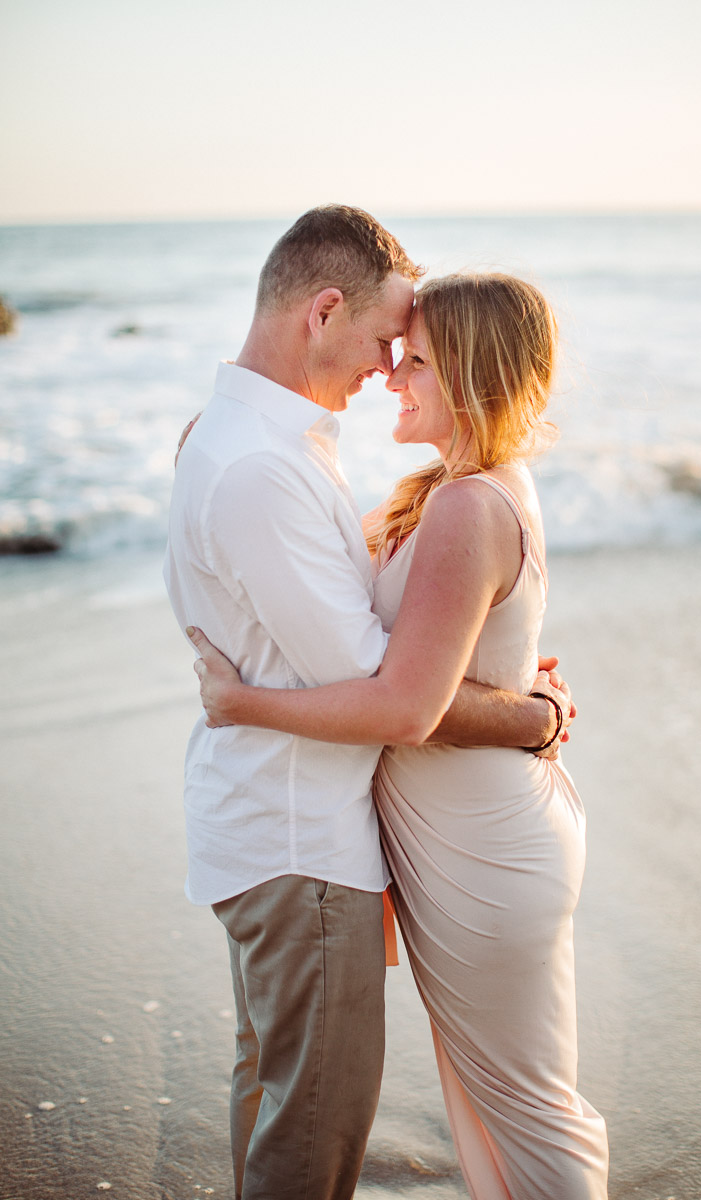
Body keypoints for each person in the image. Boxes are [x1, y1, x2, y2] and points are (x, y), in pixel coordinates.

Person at [165, 207, 576, 1200]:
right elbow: (394, 692)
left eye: (414, 356)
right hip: (301, 841)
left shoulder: (255, 443)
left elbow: (401, 673)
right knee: (307, 1135)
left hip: (324, 836)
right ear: (321, 313)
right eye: (386, 342)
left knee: (297, 1113)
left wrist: (517, 696)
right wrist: (529, 717)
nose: (386, 368)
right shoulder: (268, 465)